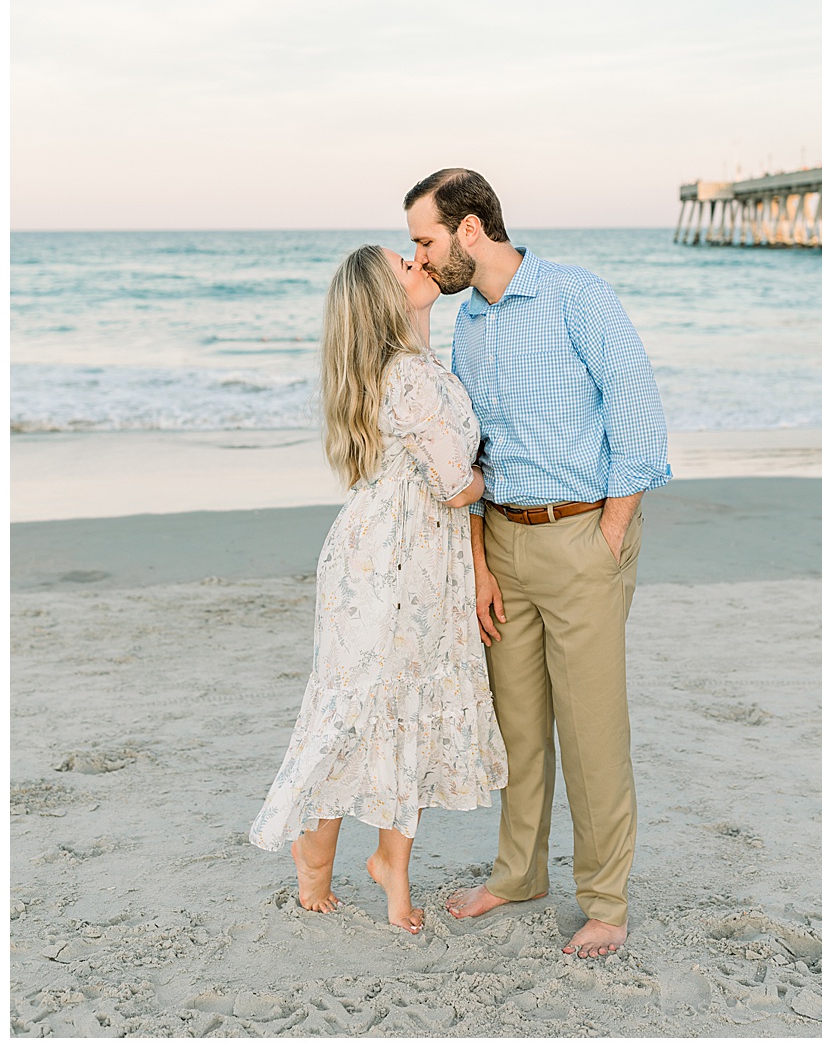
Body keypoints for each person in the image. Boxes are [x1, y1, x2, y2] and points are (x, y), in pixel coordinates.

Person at [404, 168, 671, 961]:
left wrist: (612, 530)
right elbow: (470, 448)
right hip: (502, 545)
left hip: (582, 538)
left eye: (425, 240)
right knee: (516, 728)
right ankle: (519, 874)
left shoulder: (576, 296)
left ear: (471, 228)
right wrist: (481, 563)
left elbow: (636, 409)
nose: (419, 258)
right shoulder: (469, 322)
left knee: (591, 734)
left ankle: (606, 902)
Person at [250, 245, 506, 933]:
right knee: (365, 703)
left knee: (397, 704)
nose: (421, 263)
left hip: (402, 554)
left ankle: (390, 862)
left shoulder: (405, 364)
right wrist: (514, 479)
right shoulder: (411, 375)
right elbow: (457, 485)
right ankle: (315, 851)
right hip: (394, 560)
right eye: (405, 264)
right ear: (384, 298)